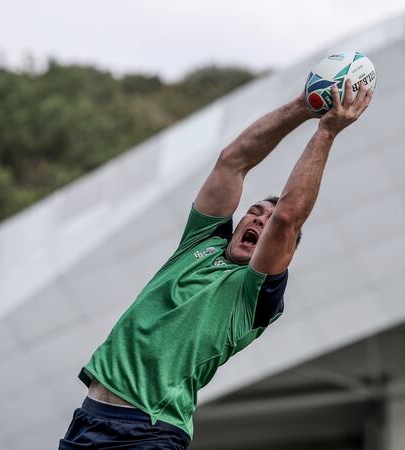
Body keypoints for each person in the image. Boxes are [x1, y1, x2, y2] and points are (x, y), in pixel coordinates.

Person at [59, 79, 373, 449]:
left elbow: (289, 216)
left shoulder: (254, 295)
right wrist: (305, 105)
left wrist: (326, 131)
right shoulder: (202, 242)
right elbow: (233, 161)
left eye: (267, 222)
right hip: (89, 419)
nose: (259, 219)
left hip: (147, 432)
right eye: (254, 212)